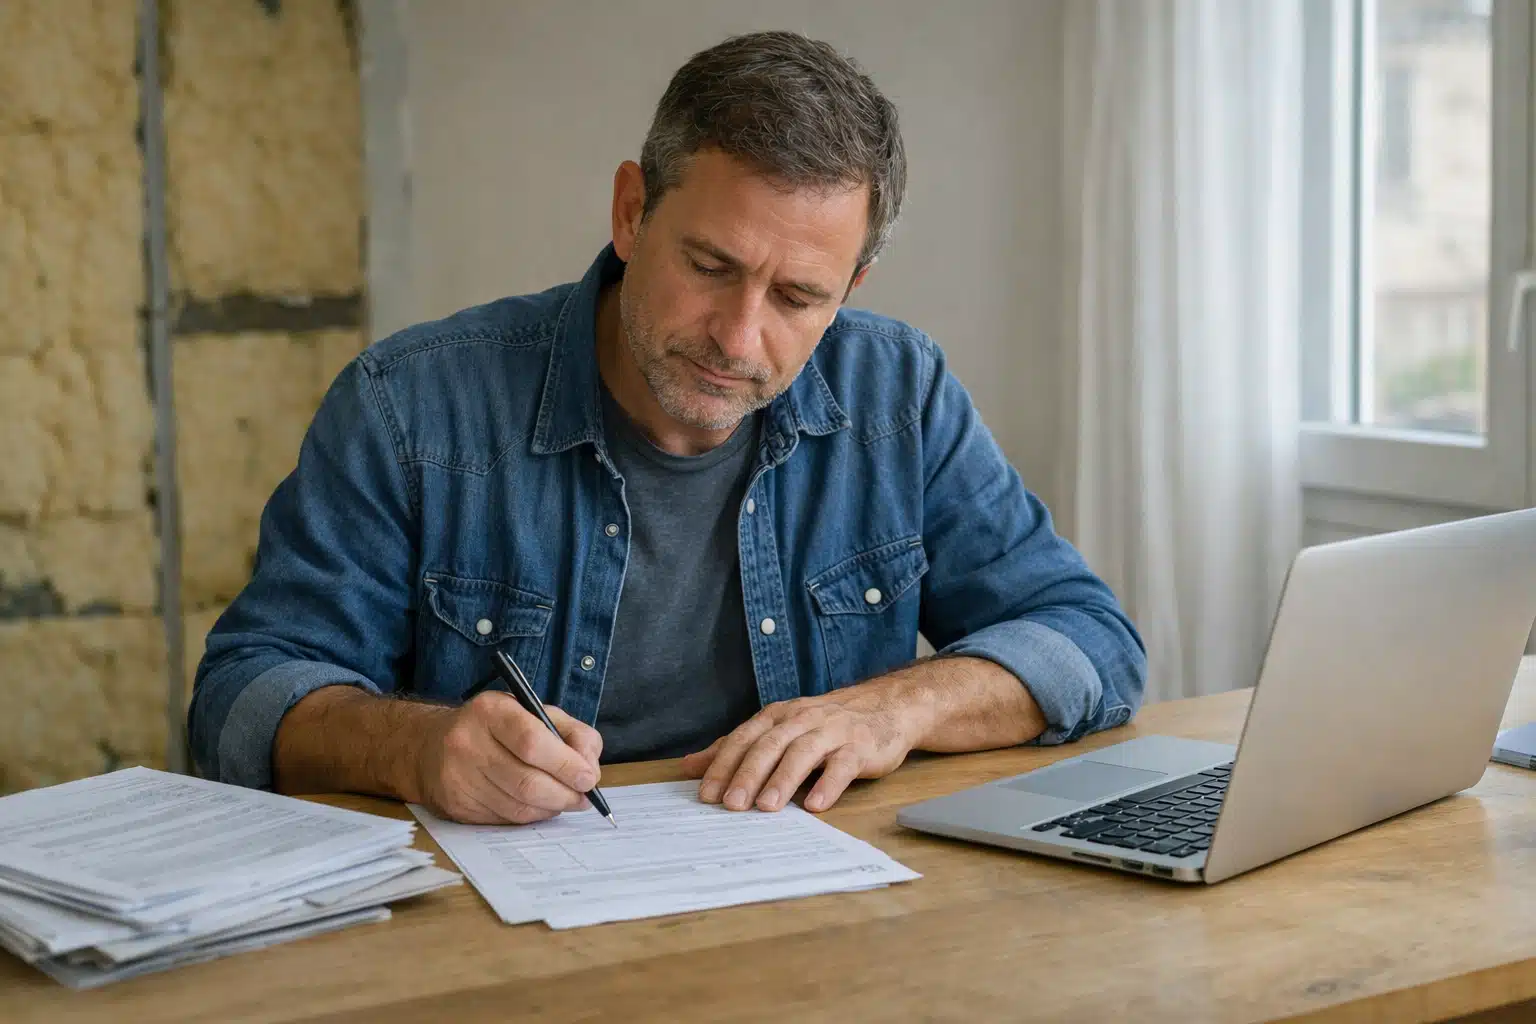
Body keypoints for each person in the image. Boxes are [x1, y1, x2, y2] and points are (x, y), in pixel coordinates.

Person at [189, 30, 1146, 826]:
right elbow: (240, 699)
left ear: (849, 291)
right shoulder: (412, 404)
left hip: (810, 914)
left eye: (799, 296)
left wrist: (895, 708)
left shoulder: (899, 392)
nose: (739, 337)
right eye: (710, 265)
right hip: (493, 940)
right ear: (631, 212)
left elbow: (1092, 641)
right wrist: (417, 748)